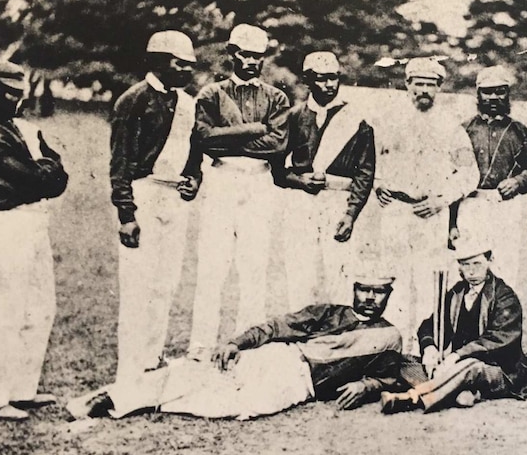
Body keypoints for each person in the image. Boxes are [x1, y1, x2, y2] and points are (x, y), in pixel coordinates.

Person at [67, 276, 404, 420]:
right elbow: (275, 327)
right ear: (354, 289)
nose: (370, 298)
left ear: (388, 296)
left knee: (235, 405)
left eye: (379, 292)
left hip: (299, 385)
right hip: (281, 358)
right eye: (364, 290)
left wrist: (368, 384)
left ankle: (143, 399)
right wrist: (234, 342)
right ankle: (112, 399)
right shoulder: (329, 312)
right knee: (207, 371)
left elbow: (397, 373)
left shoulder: (388, 336)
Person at [108, 30, 199, 416]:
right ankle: (128, 370)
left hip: (174, 196)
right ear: (157, 62)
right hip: (144, 194)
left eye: (189, 65)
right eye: (179, 64)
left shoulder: (189, 104)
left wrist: (195, 178)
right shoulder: (132, 100)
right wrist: (126, 214)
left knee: (166, 283)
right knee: (138, 286)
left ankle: (150, 360)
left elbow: (195, 152)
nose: (185, 71)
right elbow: (120, 163)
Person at [186, 24, 290, 356]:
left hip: (259, 181)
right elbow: (203, 138)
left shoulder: (276, 97)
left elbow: (277, 145)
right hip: (222, 179)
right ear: (233, 54)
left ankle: (247, 345)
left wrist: (230, 136)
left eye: (257, 56)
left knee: (254, 265)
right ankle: (201, 345)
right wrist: (255, 129)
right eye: (244, 54)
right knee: (212, 265)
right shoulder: (212, 94)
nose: (251, 61)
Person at [0, 58, 68, 421]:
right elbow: (28, 180)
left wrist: (43, 170)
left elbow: (58, 176)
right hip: (3, 222)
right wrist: (43, 170)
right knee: (7, 308)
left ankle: (21, 389)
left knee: (41, 306)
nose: (19, 100)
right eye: (12, 94)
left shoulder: (23, 128)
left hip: (33, 220)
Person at [373, 57, 479, 353]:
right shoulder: (391, 121)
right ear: (407, 85)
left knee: (428, 278)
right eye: (418, 83)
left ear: (439, 88)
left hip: (431, 212)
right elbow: (376, 161)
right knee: (393, 275)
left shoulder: (450, 126)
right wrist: (378, 185)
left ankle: (426, 346)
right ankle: (393, 346)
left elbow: (470, 174)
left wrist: (440, 200)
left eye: (430, 85)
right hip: (395, 209)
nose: (424, 90)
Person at [379, 236, 527, 414]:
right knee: (403, 360)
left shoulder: (504, 296)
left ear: (490, 260)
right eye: (465, 265)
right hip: (455, 367)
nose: (471, 272)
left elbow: (498, 339)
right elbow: (432, 323)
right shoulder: (458, 291)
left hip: (502, 372)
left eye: (477, 264)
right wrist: (429, 348)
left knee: (470, 366)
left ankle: (414, 398)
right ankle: (454, 391)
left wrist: (456, 356)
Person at [272, 51, 375, 308]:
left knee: (340, 272)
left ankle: (338, 338)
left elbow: (365, 171)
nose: (329, 85)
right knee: (299, 272)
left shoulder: (358, 119)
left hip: (338, 201)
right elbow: (277, 169)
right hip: (301, 202)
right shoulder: (295, 117)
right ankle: (297, 334)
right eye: (321, 79)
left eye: (333, 78)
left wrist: (351, 213)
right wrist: (300, 182)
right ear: (308, 81)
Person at [449, 65, 527, 289]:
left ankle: (501, 321)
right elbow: (449, 176)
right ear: (478, 94)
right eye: (488, 91)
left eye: (500, 91)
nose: (494, 97)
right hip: (470, 206)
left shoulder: (520, 131)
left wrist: (518, 181)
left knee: (505, 268)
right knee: (469, 266)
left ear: (508, 94)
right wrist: (451, 222)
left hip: (505, 207)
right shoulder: (463, 129)